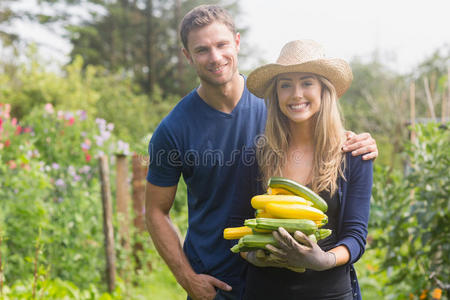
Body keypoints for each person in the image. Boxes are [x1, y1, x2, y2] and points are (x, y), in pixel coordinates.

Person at [144, 5, 377, 300]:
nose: (215, 57)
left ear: (237, 43)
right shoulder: (174, 129)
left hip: (286, 284)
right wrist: (188, 279)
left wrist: (360, 144)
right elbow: (155, 211)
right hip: (217, 283)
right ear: (187, 55)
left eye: (221, 44)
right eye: (202, 50)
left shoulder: (278, 106)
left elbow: (319, 127)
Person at [239, 39, 373, 300]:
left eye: (307, 82)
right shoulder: (255, 155)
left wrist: (324, 259)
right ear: (276, 95)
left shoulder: (353, 154)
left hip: (329, 293)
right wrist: (254, 255)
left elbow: (356, 236)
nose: (296, 93)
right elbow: (236, 225)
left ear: (324, 90)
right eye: (285, 84)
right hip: (264, 292)